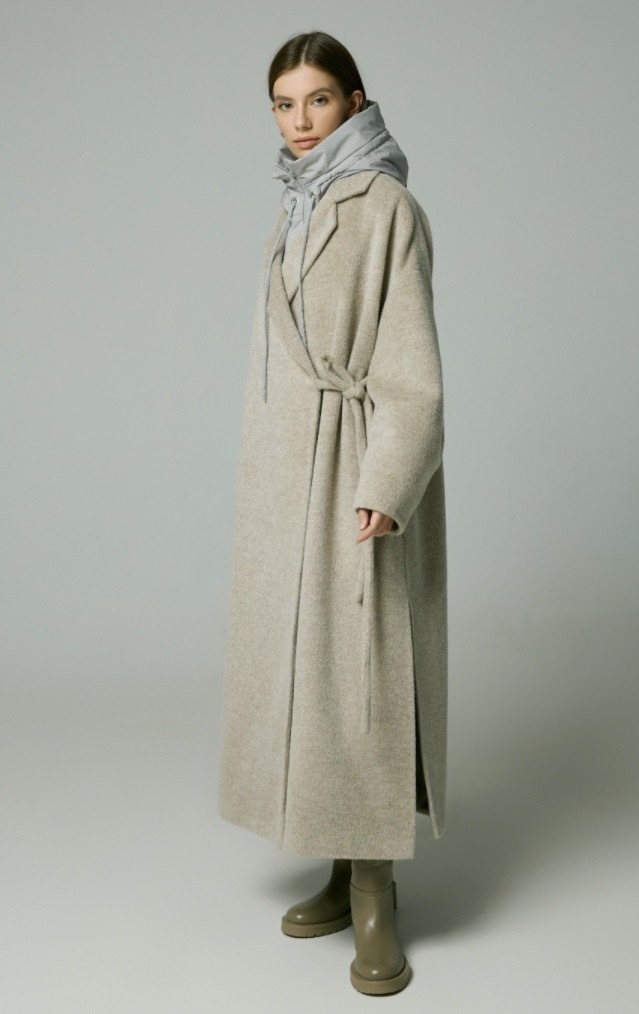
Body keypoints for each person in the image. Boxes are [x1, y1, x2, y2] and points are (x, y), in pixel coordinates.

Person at [217, 30, 447, 997]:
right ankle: (336, 857)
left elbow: (412, 367)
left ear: (356, 101)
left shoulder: (386, 206)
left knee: (364, 678)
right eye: (284, 103)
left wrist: (386, 485)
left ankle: (375, 890)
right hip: (288, 474)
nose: (299, 121)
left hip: (355, 462)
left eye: (317, 99)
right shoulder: (296, 205)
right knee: (309, 675)